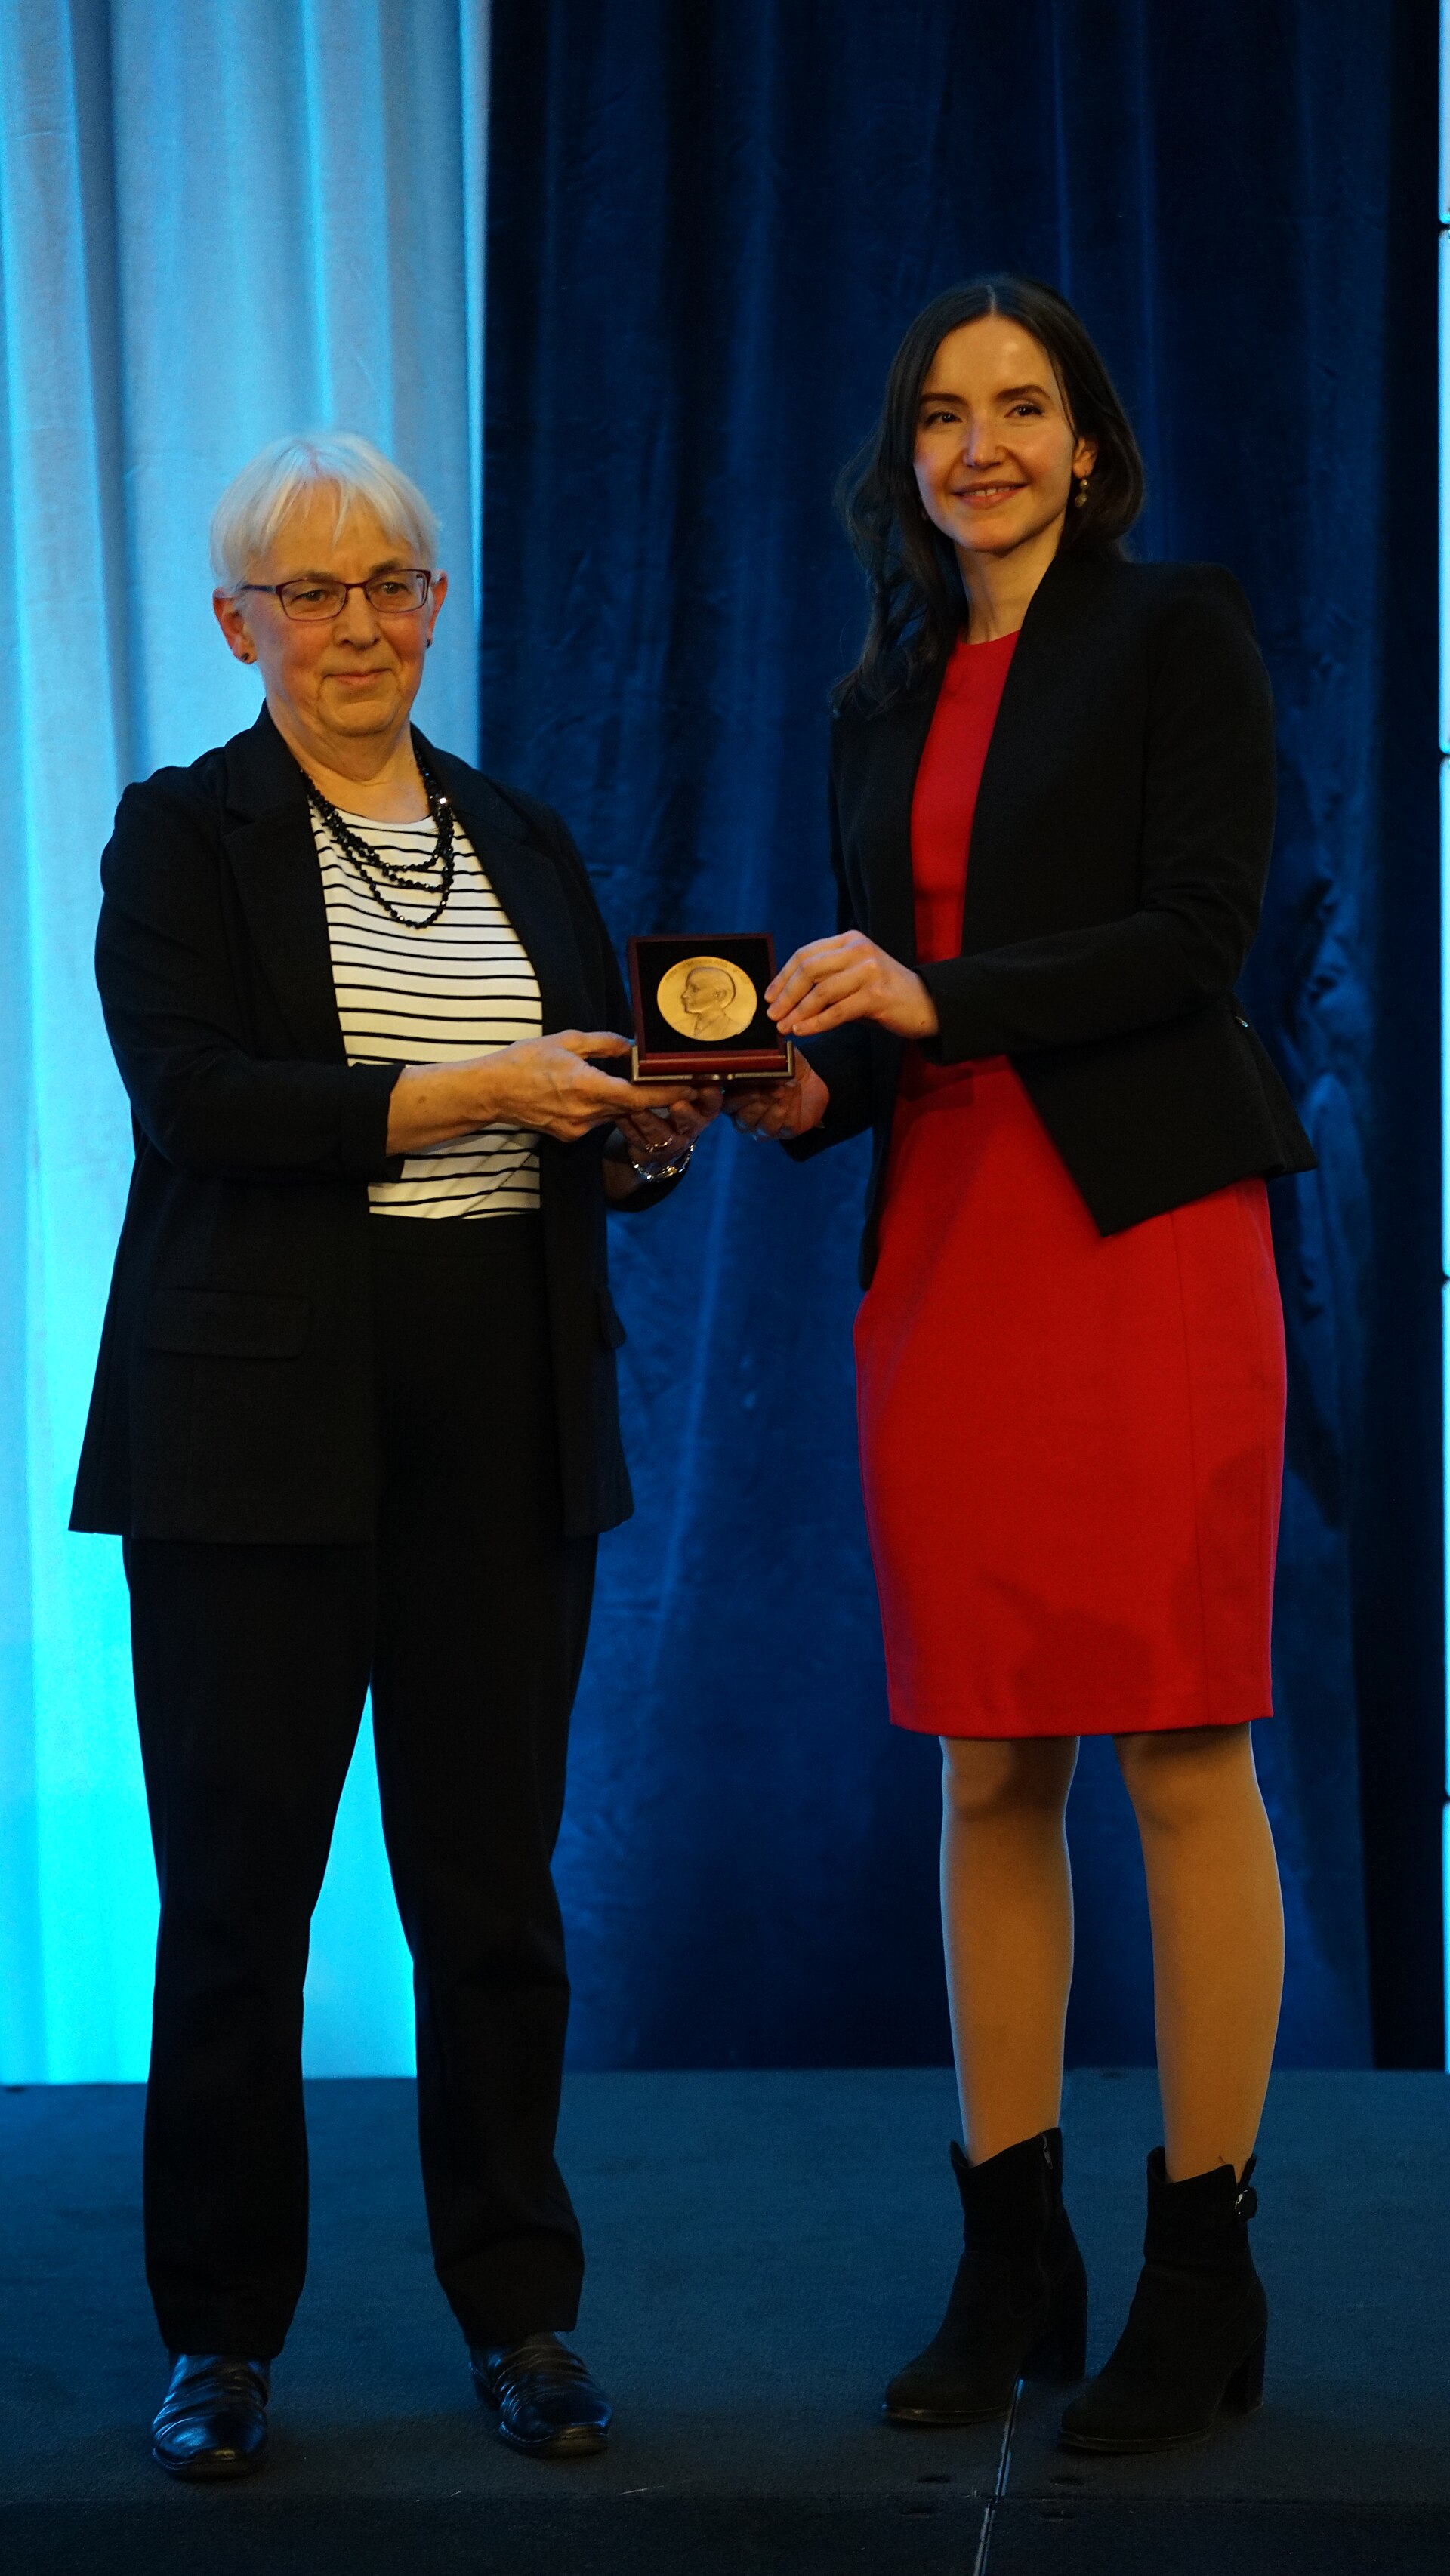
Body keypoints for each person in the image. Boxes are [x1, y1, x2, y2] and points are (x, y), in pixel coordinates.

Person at [70, 431, 714, 2481]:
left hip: (498, 1419)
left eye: (392, 585)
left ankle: (520, 2306)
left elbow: (560, 1113)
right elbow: (200, 1103)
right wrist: (471, 1089)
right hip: (252, 1430)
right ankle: (223, 2335)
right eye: (313, 592)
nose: (358, 626)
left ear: (436, 605)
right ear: (237, 624)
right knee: (236, 1901)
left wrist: (627, 1135)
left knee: (492, 1898)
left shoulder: (519, 830)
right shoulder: (181, 839)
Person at [730, 277, 1313, 2453]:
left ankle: (1206, 2258)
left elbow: (1191, 940)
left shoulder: (1183, 633)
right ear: (907, 457)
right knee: (984, 1762)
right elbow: (895, 1022)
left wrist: (929, 1003)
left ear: (1090, 444)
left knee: (1177, 1749)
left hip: (1143, 1236)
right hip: (953, 1249)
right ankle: (1013, 2250)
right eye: (945, 414)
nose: (981, 443)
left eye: (1024, 407)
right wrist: (814, 1093)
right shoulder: (875, 694)